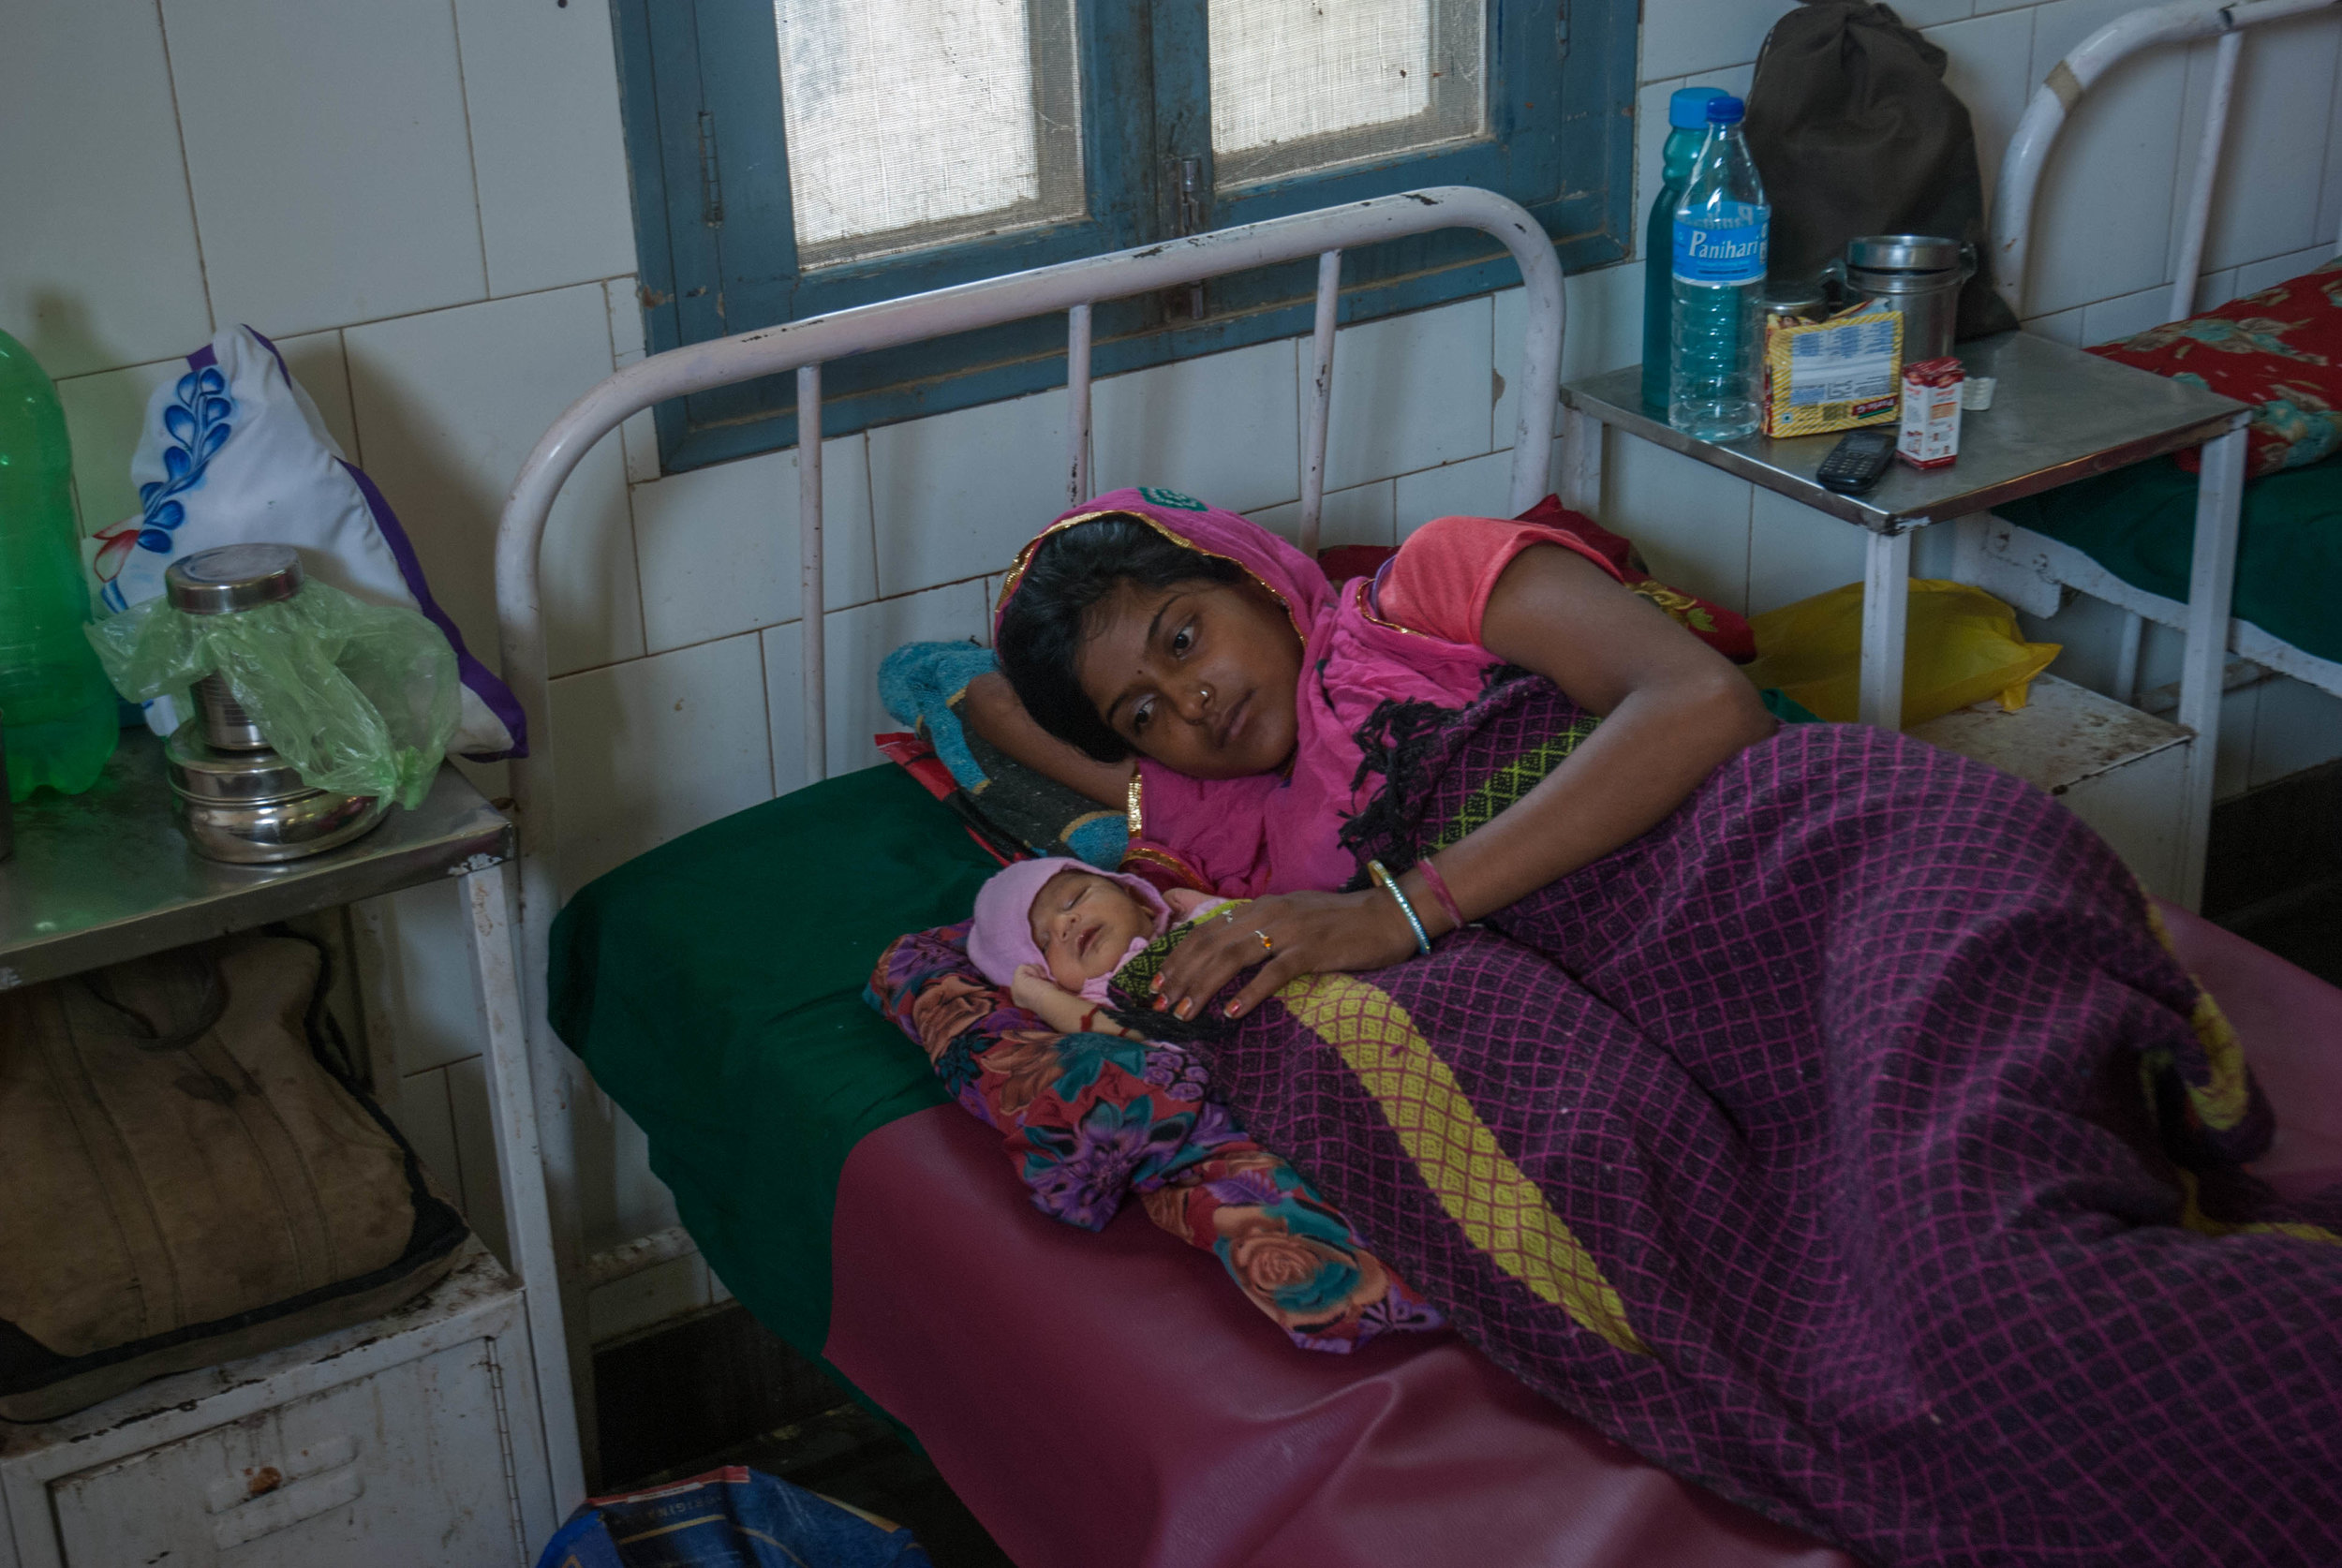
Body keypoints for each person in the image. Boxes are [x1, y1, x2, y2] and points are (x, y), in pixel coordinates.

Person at [964, 488, 1775, 1024]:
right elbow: (992, 706)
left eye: (1183, 639)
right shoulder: (1236, 831)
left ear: (1256, 577)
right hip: (1645, 999)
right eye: (1143, 714)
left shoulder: (1424, 595)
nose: (1191, 702)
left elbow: (1705, 702)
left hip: (1766, 858)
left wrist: (1399, 912)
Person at [966, 854, 1227, 1038]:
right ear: (1053, 983)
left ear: (1134, 895)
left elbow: (1255, 926)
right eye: (1044, 946)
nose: (1063, 923)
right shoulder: (1099, 998)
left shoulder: (1192, 918)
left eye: (1073, 900)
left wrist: (1206, 906)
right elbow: (1134, 1035)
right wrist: (1043, 1000)